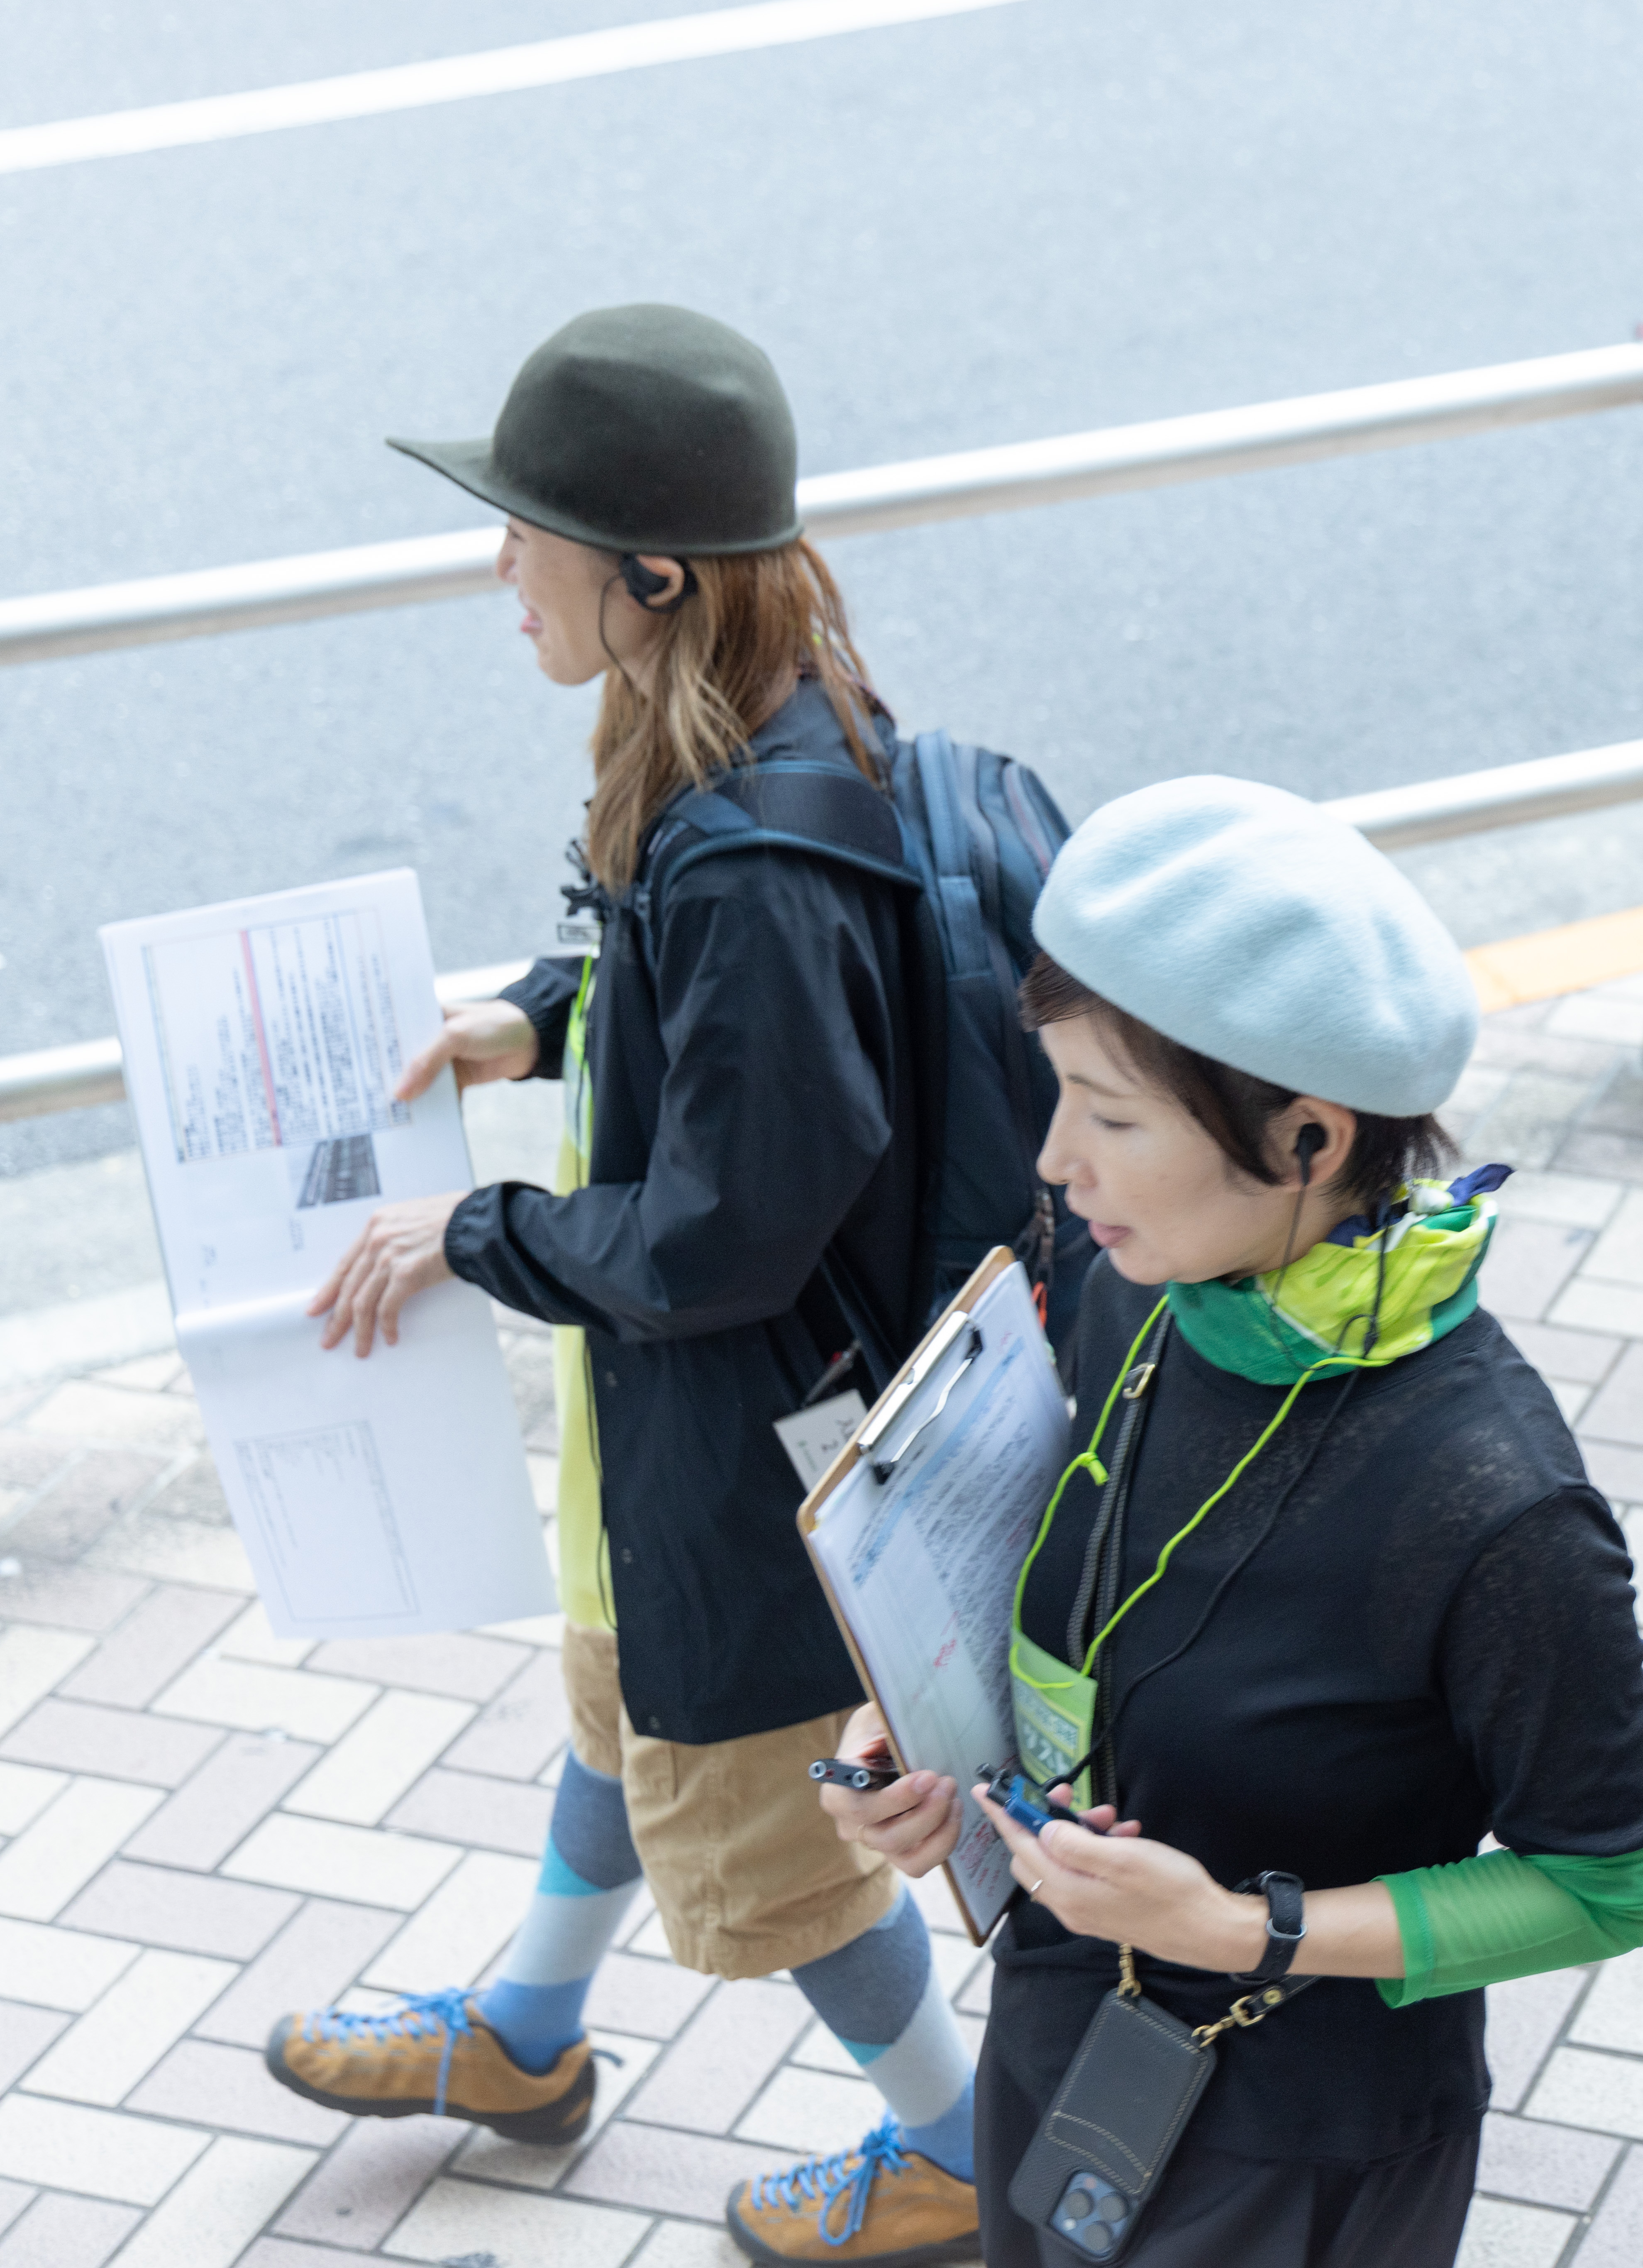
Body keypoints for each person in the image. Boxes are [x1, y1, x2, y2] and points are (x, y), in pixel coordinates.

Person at [263, 305, 989, 2265]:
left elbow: (722, 1229)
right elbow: (714, 1010)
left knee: (782, 1858)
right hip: (674, 1455)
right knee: (617, 1721)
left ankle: (976, 2152)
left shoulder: (748, 846)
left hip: (749, 1478)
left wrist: (476, 1232)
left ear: (649, 575)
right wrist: (537, 1015)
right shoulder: (767, 730)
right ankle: (522, 2032)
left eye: (531, 531)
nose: (501, 564)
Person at [816, 777, 1643, 2266]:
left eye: (1111, 1115)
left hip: (1297, 2141)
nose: (1053, 1164)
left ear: (1307, 1141)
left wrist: (1248, 1930)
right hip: (1060, 2020)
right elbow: (1082, 1595)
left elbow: (1607, 1884)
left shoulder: (1496, 1502)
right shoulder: (1137, 1293)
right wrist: (921, 1740)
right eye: (1060, 1097)